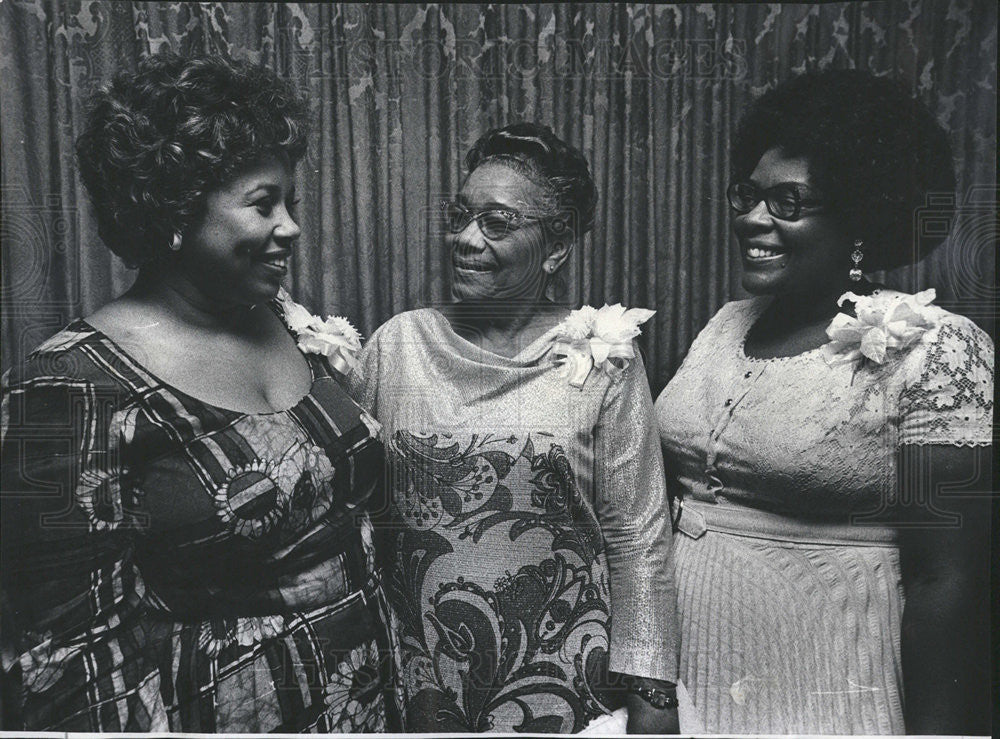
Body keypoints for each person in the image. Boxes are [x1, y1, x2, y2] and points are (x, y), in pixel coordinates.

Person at [1, 53, 400, 732]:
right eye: (263, 203)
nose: (291, 227)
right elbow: (66, 663)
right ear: (177, 208)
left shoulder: (277, 319)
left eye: (290, 203)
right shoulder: (67, 386)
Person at [654, 69, 992, 735]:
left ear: (861, 216)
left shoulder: (940, 348)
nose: (753, 218)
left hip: (831, 682)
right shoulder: (726, 322)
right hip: (690, 678)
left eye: (788, 202)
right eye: (747, 195)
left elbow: (945, 583)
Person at [351, 122, 681, 733]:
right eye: (461, 216)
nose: (466, 239)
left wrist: (653, 699)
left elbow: (637, 536)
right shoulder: (398, 345)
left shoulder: (602, 356)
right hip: (417, 678)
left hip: (563, 681)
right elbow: (355, 515)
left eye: (497, 223)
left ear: (555, 248)